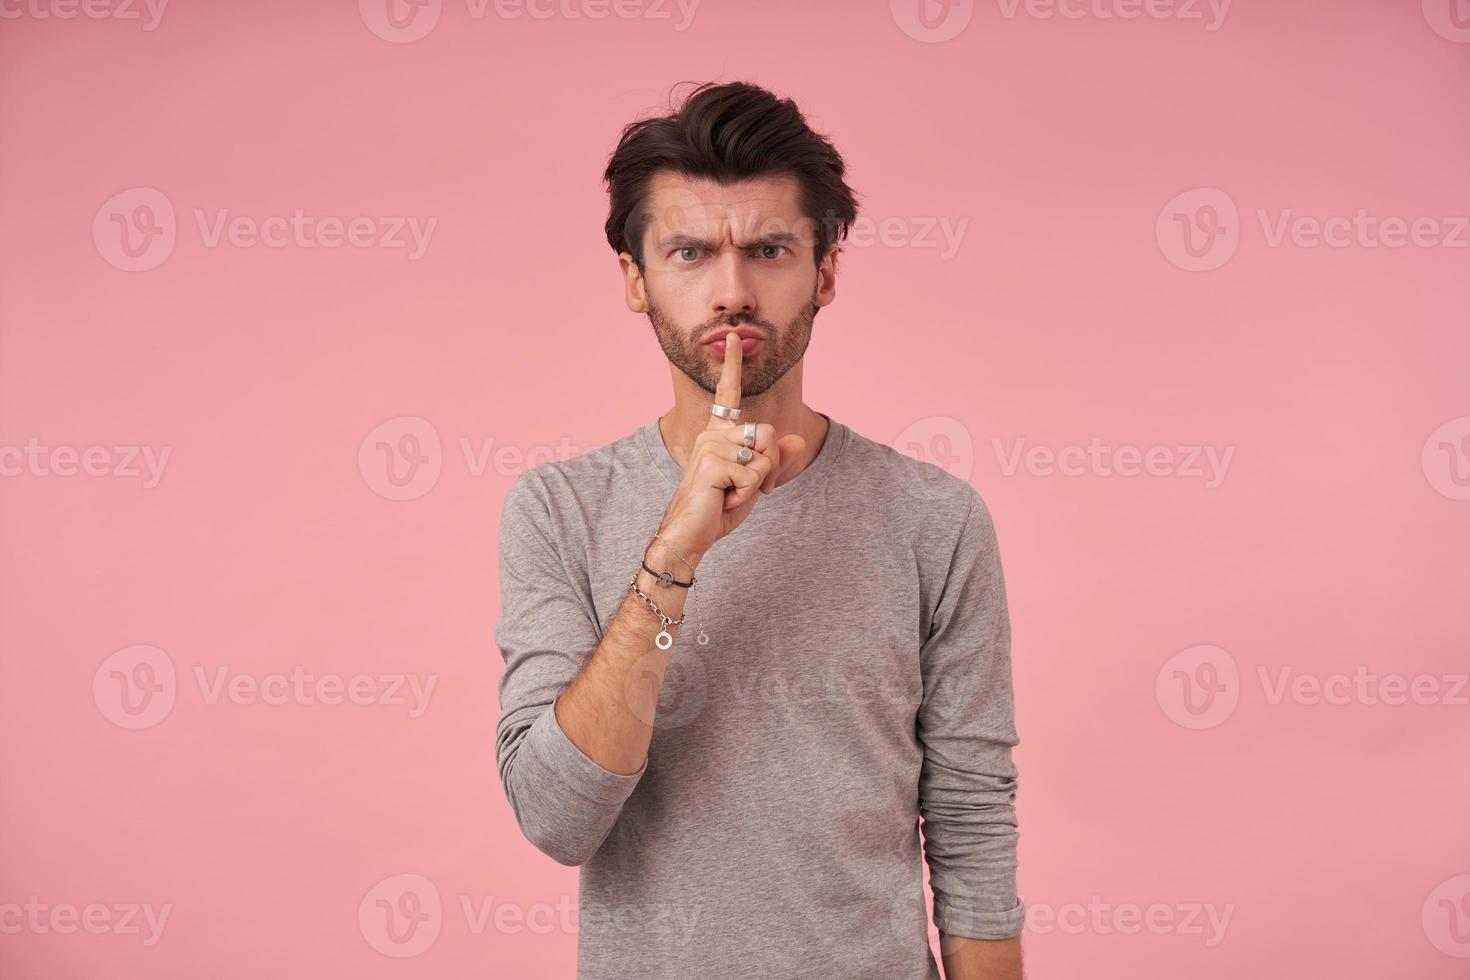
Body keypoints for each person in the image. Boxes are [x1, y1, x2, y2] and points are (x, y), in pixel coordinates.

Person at [494, 80, 1025, 980]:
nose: (733, 292)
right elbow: (557, 817)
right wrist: (677, 552)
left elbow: (973, 829)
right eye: (691, 252)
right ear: (636, 278)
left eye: (770, 249)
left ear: (824, 271)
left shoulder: (935, 519)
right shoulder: (558, 509)